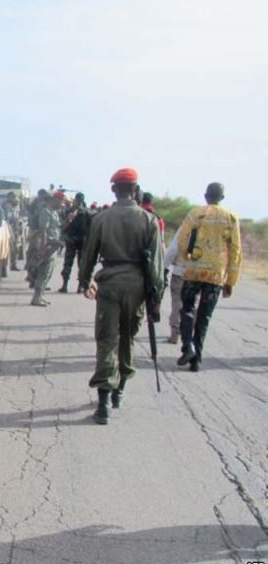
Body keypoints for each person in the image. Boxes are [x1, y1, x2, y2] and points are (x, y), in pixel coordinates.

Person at [80, 168, 163, 425]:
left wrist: (85, 281)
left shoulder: (101, 219)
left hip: (110, 284)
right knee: (128, 338)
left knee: (107, 339)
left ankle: (104, 403)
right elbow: (156, 265)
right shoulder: (149, 220)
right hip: (137, 286)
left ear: (114, 190)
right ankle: (119, 392)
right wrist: (156, 298)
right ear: (135, 190)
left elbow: (88, 254)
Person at [174, 182, 242, 372]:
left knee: (187, 309)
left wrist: (187, 257)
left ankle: (188, 346)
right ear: (222, 198)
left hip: (194, 271)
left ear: (206, 196)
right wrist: (231, 281)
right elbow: (236, 251)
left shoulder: (196, 213)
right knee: (204, 316)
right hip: (216, 275)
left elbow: (182, 239)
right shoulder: (231, 218)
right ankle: (196, 360)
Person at [31, 191, 64, 306]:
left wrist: (68, 220)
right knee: (43, 272)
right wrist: (42, 247)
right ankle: (36, 298)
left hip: (53, 246)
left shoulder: (54, 213)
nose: (62, 204)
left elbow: (57, 228)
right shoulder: (46, 212)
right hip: (47, 245)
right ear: (55, 199)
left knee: (49, 272)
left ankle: (40, 296)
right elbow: (43, 230)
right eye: (61, 201)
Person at [59, 192, 90, 293]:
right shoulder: (87, 212)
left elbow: (63, 226)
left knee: (69, 263)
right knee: (80, 264)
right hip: (80, 240)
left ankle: (66, 285)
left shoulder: (70, 211)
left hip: (73, 239)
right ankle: (78, 286)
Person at [163, 228, 187, 344]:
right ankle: (188, 335)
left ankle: (175, 334)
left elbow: (173, 250)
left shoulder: (187, 226)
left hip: (180, 271)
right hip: (198, 275)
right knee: (193, 304)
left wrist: (163, 267)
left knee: (177, 303)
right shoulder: (210, 228)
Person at [25, 188, 50, 287]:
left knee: (32, 254)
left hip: (34, 232)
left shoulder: (34, 203)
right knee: (38, 256)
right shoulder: (41, 205)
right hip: (38, 232)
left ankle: (31, 277)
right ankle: (33, 278)